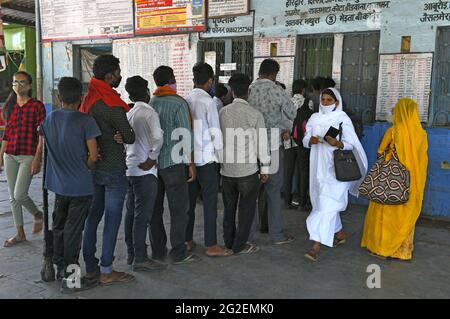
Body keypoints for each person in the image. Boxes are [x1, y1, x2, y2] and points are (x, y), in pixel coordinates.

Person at [39, 77, 101, 292]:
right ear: (81, 98)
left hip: (57, 185)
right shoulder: (86, 121)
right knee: (74, 233)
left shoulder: (49, 119)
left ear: (58, 97)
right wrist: (89, 163)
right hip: (81, 187)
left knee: (58, 227)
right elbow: (93, 155)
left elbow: (44, 144)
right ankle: (71, 280)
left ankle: (59, 268)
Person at [80, 55, 136, 285]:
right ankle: (107, 269)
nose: (120, 76)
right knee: (112, 220)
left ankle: (91, 266)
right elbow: (130, 136)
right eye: (118, 72)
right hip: (113, 169)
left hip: (93, 168)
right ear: (110, 75)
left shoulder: (88, 100)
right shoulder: (113, 105)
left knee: (92, 218)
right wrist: (121, 135)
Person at [302, 88, 368, 262]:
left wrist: (338, 143)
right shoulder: (314, 118)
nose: (324, 103)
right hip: (318, 167)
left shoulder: (342, 119)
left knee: (326, 206)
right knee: (322, 203)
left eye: (329, 100)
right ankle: (340, 233)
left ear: (336, 102)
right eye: (322, 100)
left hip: (338, 169)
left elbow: (351, 144)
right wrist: (310, 141)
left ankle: (316, 245)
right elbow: (305, 139)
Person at [361, 98, 428, 261]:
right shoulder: (421, 134)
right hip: (412, 183)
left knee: (386, 215)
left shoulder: (393, 131)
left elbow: (380, 152)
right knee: (405, 215)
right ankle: (403, 251)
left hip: (391, 184)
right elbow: (422, 159)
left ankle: (383, 248)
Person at [149, 66, 201, 265]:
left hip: (154, 165)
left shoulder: (151, 103)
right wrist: (191, 164)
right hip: (175, 164)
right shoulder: (179, 103)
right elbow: (185, 136)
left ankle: (158, 250)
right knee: (179, 209)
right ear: (172, 79)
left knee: (155, 209)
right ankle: (178, 251)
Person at [248, 58, 297, 245]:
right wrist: (282, 126)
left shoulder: (248, 90)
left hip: (250, 148)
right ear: (274, 74)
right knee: (274, 192)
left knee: (250, 193)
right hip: (272, 148)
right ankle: (276, 235)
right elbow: (291, 113)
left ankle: (248, 235)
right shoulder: (278, 91)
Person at [220, 73, 270, 254]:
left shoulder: (222, 112)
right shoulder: (255, 114)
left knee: (229, 208)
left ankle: (228, 241)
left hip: (227, 171)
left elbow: (218, 140)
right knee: (246, 210)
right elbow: (261, 144)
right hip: (248, 170)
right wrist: (265, 168)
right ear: (248, 91)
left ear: (232, 91)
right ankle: (240, 245)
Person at [185, 62, 231, 257]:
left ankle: (187, 240)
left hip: (189, 159)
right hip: (207, 159)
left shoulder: (186, 99)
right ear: (210, 81)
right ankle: (211, 244)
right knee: (210, 202)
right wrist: (221, 155)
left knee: (189, 203)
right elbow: (215, 131)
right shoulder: (209, 101)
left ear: (194, 80)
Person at [123, 76, 167, 272]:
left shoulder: (130, 113)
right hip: (145, 171)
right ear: (147, 92)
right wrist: (152, 157)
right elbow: (158, 137)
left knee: (131, 213)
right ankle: (141, 257)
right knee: (143, 216)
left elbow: (124, 141)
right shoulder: (149, 113)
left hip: (130, 169)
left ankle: (132, 253)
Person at [0, 71, 45, 247]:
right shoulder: (10, 106)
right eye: (15, 82)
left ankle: (37, 214)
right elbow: (7, 134)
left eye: (22, 82)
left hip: (28, 155)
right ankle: (19, 233)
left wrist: (37, 157)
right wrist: (1, 154)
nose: (18, 85)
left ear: (29, 85)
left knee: (20, 194)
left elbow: (41, 134)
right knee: (12, 197)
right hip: (10, 153)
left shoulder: (37, 106)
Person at [291, 79, 314, 211]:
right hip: (303, 139)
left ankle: (289, 199)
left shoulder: (288, 101)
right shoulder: (308, 102)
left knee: (289, 171)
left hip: (289, 139)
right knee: (303, 170)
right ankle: (302, 199)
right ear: (303, 89)